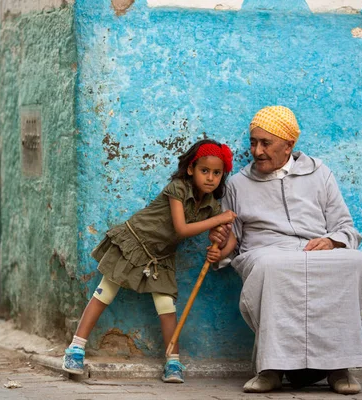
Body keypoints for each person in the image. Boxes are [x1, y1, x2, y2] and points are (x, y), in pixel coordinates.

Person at [208, 106, 362, 394]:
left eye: (265, 143)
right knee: (271, 267)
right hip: (265, 252)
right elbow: (232, 243)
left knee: (355, 262)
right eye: (253, 142)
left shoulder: (320, 174)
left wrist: (332, 241)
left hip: (316, 250)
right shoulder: (238, 184)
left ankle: (339, 367)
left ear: (289, 146)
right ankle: (270, 368)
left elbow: (346, 227)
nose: (257, 151)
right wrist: (220, 250)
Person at [63, 139, 237, 384]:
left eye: (217, 173)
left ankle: (173, 362)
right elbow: (181, 228)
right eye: (204, 171)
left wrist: (220, 249)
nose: (210, 178)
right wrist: (219, 219)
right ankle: (75, 349)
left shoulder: (211, 206)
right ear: (191, 169)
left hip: (161, 257)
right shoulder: (177, 188)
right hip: (135, 242)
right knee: (105, 292)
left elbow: (229, 238)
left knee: (166, 306)